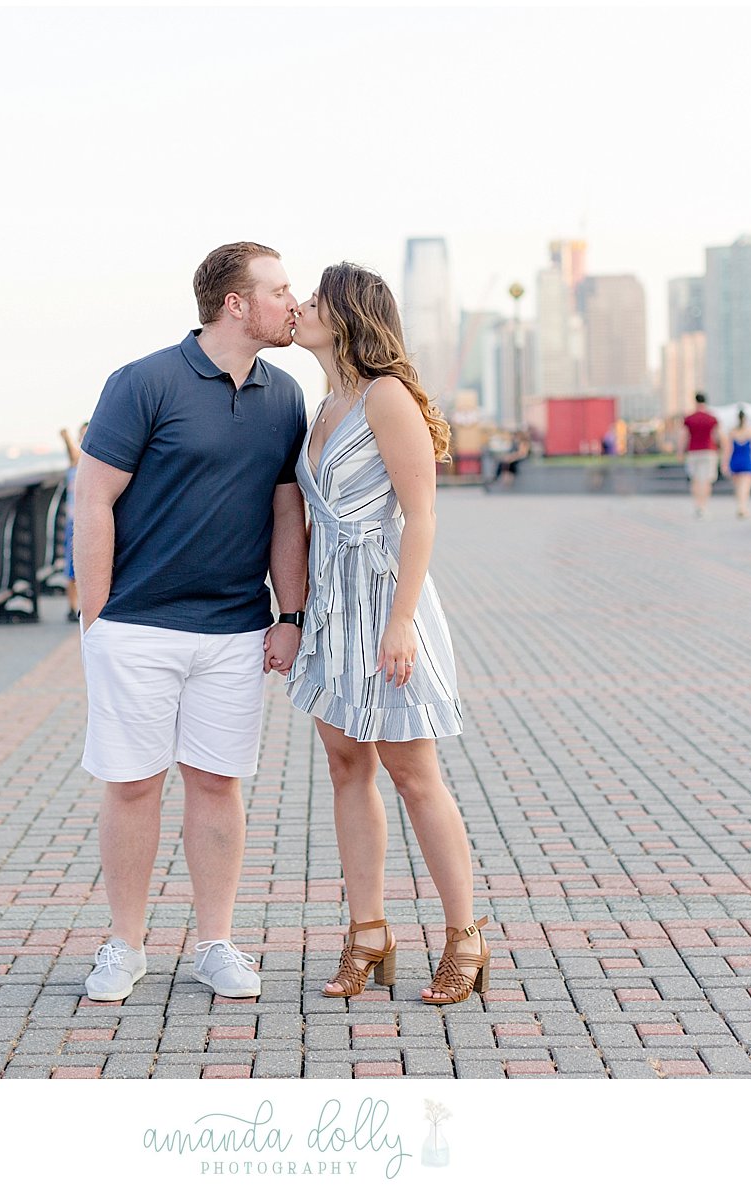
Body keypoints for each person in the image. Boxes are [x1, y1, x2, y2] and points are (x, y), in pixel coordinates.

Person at [72, 242, 308, 1002]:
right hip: (137, 625)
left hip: (234, 629)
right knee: (133, 784)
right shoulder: (143, 381)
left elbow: (284, 510)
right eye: (278, 290)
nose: (292, 302)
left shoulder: (285, 395)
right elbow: (93, 497)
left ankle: (215, 942)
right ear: (235, 304)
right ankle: (124, 945)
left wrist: (289, 614)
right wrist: (96, 612)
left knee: (217, 782)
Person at [287, 262, 488, 1006]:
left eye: (312, 299)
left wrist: (401, 619)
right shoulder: (325, 404)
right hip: (333, 611)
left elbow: (421, 514)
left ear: (345, 315)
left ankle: (464, 935)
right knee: (346, 768)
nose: (299, 308)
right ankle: (366, 930)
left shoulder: (385, 397)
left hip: (384, 606)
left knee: (412, 773)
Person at [57, 422, 88, 622]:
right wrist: (66, 437)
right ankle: (72, 606)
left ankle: (83, 605)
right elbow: (73, 453)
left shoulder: (98, 462)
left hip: (88, 521)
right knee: (72, 566)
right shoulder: (76, 461)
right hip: (74, 521)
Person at [677, 393, 720, 519]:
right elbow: (717, 436)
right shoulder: (712, 418)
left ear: (695, 402)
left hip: (693, 452)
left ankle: (697, 505)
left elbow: (683, 436)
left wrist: (680, 452)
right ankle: (704, 507)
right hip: (709, 451)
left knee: (695, 479)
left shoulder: (689, 418)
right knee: (706, 480)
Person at [720, 408, 751, 519]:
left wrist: (724, 464)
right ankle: (743, 508)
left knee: (738, 487)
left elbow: (727, 450)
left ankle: (740, 506)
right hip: (746, 462)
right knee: (745, 487)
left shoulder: (732, 432)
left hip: (735, 461)